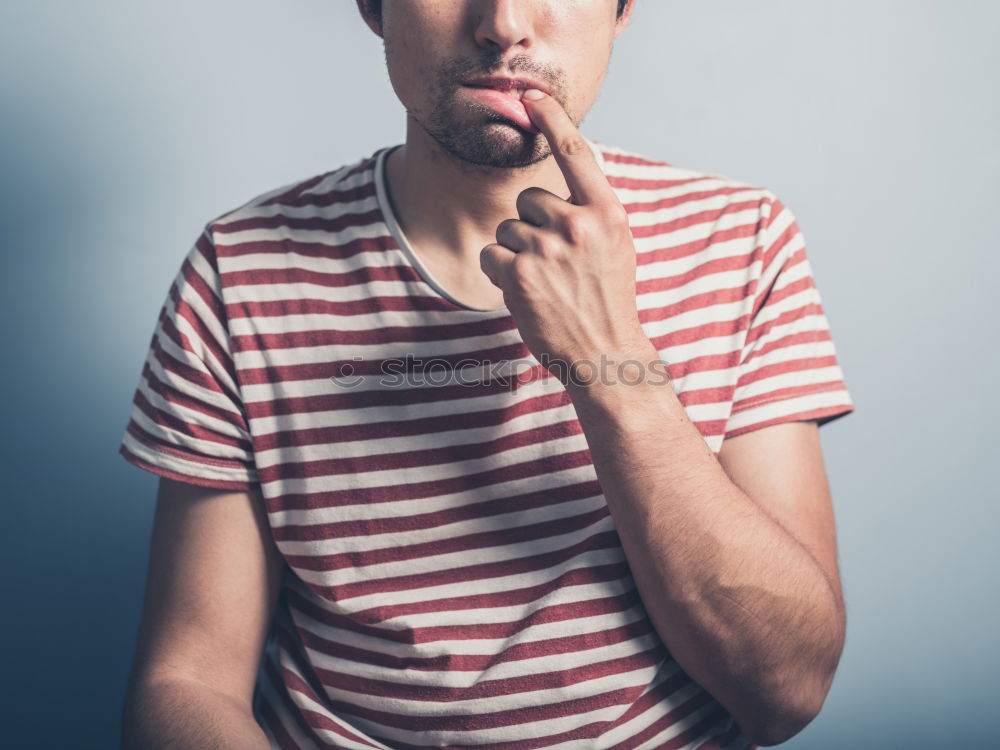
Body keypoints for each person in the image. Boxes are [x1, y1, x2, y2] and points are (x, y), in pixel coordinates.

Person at [118, 1, 856, 748]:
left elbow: (784, 690)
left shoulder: (742, 242)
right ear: (374, 8)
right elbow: (189, 681)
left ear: (623, 10)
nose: (503, 23)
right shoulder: (240, 269)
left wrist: (607, 359)